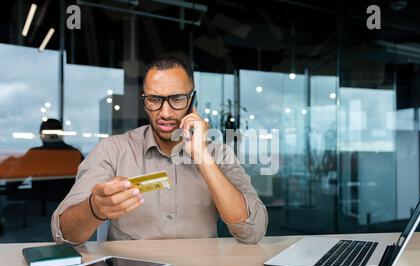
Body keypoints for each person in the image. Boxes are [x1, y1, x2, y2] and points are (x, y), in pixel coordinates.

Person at [51, 55, 268, 245]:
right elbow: (64, 234)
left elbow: (252, 231)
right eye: (154, 99)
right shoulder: (113, 151)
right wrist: (94, 209)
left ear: (193, 100)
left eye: (176, 99)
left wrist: (201, 156)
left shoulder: (218, 154)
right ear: (145, 102)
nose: (164, 112)